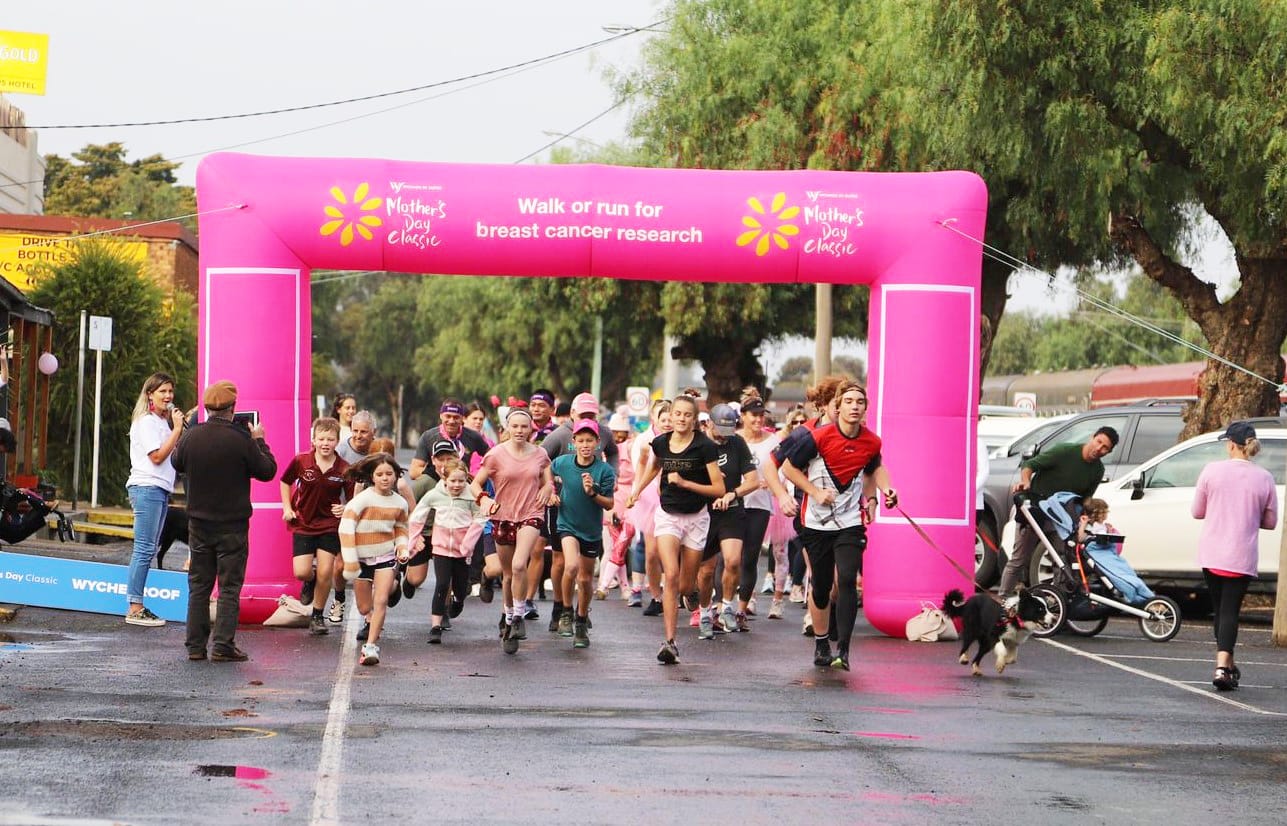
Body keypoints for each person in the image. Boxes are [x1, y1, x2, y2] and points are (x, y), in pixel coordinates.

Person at [778, 382, 894, 671]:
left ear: (865, 408)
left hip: (849, 522)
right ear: (838, 407)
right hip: (815, 522)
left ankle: (843, 649)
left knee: (846, 580)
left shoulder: (871, 441)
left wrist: (885, 492)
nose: (855, 406)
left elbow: (874, 468)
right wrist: (814, 492)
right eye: (849, 401)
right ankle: (821, 642)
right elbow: (788, 468)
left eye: (860, 402)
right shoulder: (817, 438)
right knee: (821, 587)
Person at [172, 380, 278, 662]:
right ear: (233, 408)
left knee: (199, 585)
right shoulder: (241, 439)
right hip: (232, 524)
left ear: (206, 409)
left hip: (198, 523)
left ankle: (195, 646)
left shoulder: (192, 436)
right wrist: (259, 440)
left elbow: (175, 462)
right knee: (229, 587)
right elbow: (267, 471)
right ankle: (222, 645)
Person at [627, 394, 725, 665]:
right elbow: (654, 467)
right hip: (668, 515)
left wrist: (685, 483)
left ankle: (690, 591)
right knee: (670, 575)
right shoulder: (660, 442)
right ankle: (670, 642)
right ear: (670, 417)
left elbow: (718, 489)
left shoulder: (705, 446)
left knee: (684, 586)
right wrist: (637, 490)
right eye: (677, 414)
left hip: (696, 517)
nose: (681, 419)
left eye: (687, 415)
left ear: (695, 420)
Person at [1192, 421, 1278, 691]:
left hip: (1212, 552)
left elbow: (1197, 511)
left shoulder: (1211, 471)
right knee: (1230, 611)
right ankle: (1223, 667)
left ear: (1231, 445)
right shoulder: (1264, 478)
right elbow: (1270, 522)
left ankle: (1226, 664)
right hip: (1242, 554)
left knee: (1220, 611)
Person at [469, 408, 555, 654]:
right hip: (503, 516)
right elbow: (475, 483)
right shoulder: (495, 454)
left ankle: (518, 617)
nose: (519, 431)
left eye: (524, 427)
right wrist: (484, 500)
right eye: (515, 426)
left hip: (531, 514)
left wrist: (548, 488)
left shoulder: (540, 454)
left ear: (531, 429)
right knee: (507, 575)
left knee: (519, 565)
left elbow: (548, 479)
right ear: (507, 428)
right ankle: (508, 619)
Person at [1001, 426, 1119, 597]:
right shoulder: (1065, 452)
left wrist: (1093, 519)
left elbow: (1084, 500)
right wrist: (1025, 482)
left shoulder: (1097, 470)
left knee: (1061, 560)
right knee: (1019, 559)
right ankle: (1002, 599)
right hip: (1037, 510)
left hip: (1061, 518)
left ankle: (1055, 602)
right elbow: (1030, 465)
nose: (1099, 449)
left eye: (1105, 448)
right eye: (1099, 442)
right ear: (1092, 437)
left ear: (1108, 452)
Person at [124, 372, 188, 627]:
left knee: (149, 548)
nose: (168, 396)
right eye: (162, 391)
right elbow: (158, 456)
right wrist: (179, 429)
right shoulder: (146, 422)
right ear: (150, 394)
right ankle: (135, 606)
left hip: (160, 488)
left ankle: (137, 603)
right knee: (143, 548)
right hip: (146, 487)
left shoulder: (163, 423)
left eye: (170, 391)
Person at [279, 416, 352, 635]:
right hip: (303, 521)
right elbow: (285, 481)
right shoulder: (302, 460)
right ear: (314, 439)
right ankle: (308, 582)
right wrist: (287, 508)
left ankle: (317, 616)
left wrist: (345, 508)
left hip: (329, 525)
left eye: (330, 439)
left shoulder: (344, 468)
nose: (325, 443)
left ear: (337, 440)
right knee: (302, 572)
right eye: (321, 439)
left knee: (325, 573)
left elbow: (351, 499)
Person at [549, 419, 616, 648]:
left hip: (591, 530)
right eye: (581, 440)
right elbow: (544, 470)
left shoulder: (604, 470)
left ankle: (581, 618)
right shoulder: (562, 463)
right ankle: (566, 611)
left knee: (586, 579)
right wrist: (550, 490)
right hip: (566, 523)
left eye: (590, 440)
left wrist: (592, 493)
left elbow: (608, 504)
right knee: (570, 567)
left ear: (597, 443)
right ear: (573, 442)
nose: (585, 445)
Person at [339, 452, 410, 666]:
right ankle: (369, 619)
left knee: (381, 601)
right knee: (363, 607)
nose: (385, 478)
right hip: (360, 558)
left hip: (386, 557)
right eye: (380, 474)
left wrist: (402, 546)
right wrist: (350, 560)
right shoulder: (361, 500)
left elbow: (401, 528)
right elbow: (346, 527)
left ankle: (370, 647)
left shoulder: (400, 503)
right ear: (372, 476)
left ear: (396, 476)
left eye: (390, 473)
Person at [696, 403, 758, 636]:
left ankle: (728, 607)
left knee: (732, 561)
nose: (724, 437)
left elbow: (752, 480)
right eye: (721, 431)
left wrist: (733, 493)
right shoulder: (698, 444)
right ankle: (704, 613)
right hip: (704, 512)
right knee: (706, 570)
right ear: (709, 423)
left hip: (731, 510)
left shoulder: (737, 443)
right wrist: (709, 481)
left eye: (729, 431)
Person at [408, 457, 485, 645]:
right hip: (441, 548)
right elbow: (417, 516)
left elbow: (481, 518)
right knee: (442, 584)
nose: (456, 485)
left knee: (460, 587)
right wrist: (414, 540)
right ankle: (435, 626)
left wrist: (468, 543)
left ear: (466, 478)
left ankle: (458, 601)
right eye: (452, 481)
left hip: (462, 551)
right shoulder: (435, 495)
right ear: (444, 478)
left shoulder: (471, 497)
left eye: (461, 480)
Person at [408, 399, 491, 496]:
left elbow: (493, 459)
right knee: (422, 483)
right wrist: (444, 475)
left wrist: (477, 479)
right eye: (448, 416)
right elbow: (414, 471)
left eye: (456, 417)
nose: (451, 421)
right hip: (435, 484)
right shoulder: (428, 436)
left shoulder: (473, 436)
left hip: (462, 485)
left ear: (462, 418)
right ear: (441, 416)